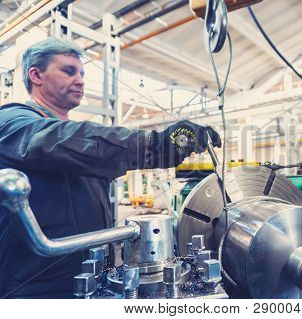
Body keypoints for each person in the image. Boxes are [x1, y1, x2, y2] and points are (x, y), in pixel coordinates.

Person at [0, 38, 221, 298]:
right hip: (35, 285)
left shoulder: (72, 137)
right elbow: (56, 140)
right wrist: (155, 146)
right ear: (36, 75)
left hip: (87, 277)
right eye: (69, 71)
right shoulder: (12, 121)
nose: (81, 80)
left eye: (82, 73)